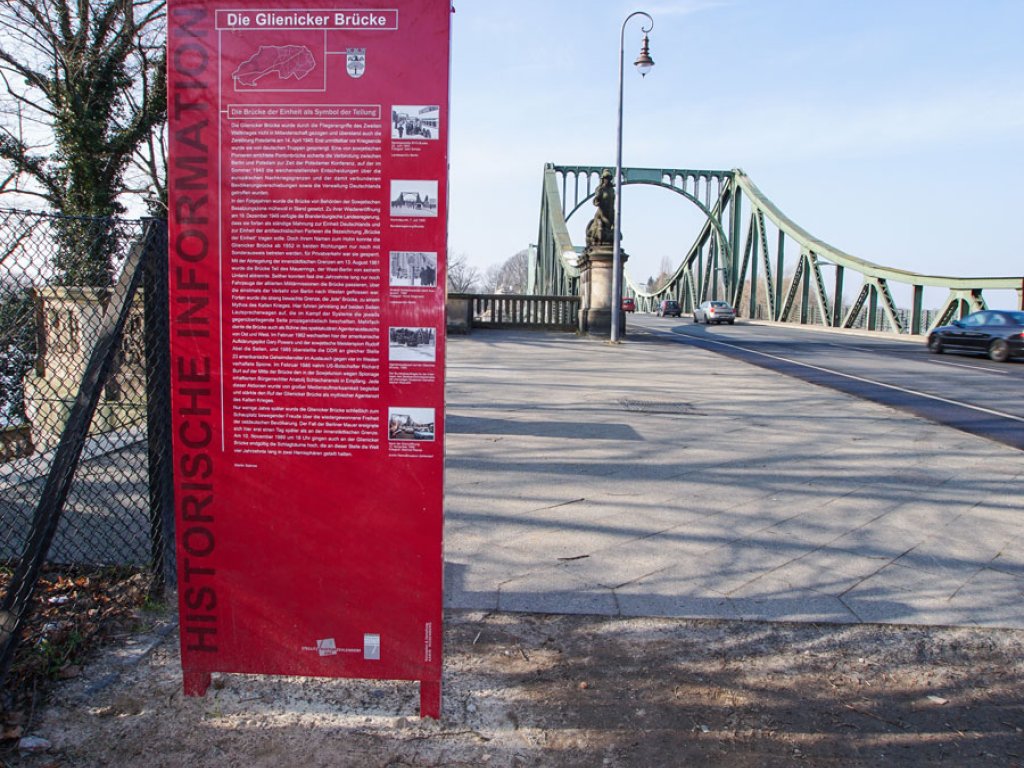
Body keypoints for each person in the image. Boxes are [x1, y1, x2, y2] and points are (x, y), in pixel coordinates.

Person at [586, 169, 615, 247]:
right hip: (601, 215)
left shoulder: (612, 190)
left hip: (610, 214)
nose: (607, 180)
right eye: (606, 178)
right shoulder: (600, 189)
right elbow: (595, 200)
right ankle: (597, 243)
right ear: (603, 179)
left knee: (616, 232)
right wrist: (597, 202)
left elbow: (613, 203)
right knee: (600, 229)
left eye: (609, 178)